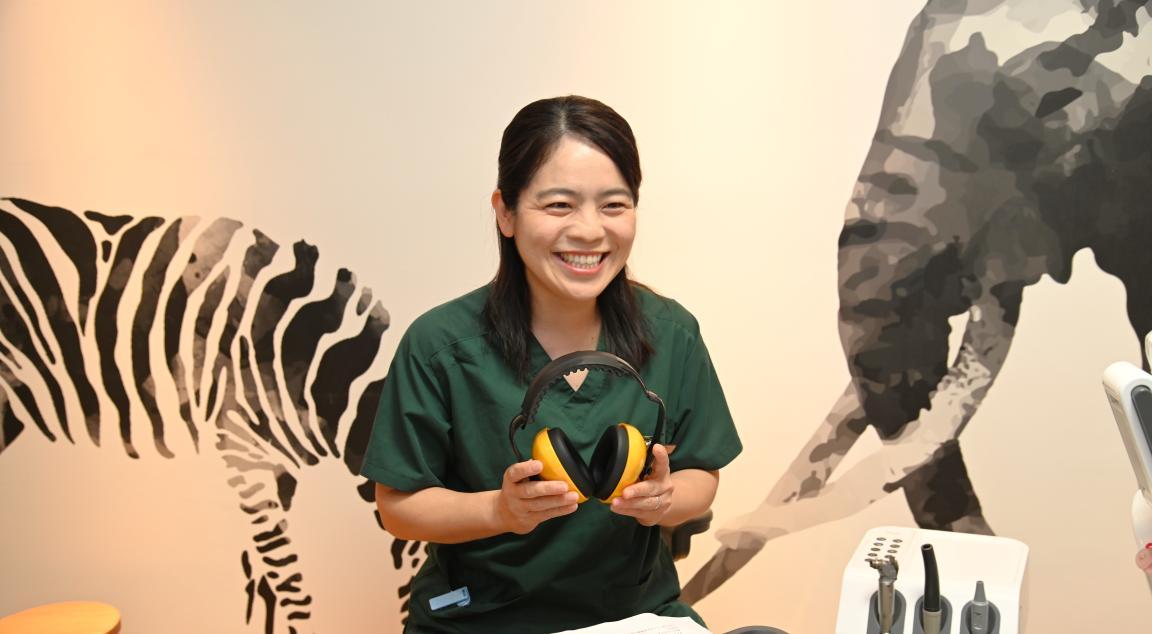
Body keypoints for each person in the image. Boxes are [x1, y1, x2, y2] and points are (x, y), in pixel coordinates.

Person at [360, 95, 742, 633]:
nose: (590, 230)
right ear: (506, 212)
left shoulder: (672, 332)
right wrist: (500, 511)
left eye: (614, 205)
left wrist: (664, 500)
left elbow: (701, 473)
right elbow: (398, 505)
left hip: (633, 616)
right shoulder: (440, 345)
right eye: (560, 205)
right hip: (480, 621)